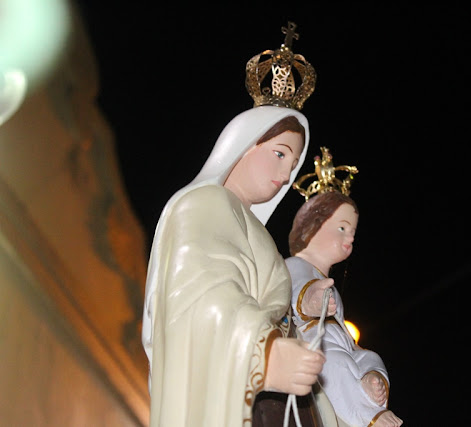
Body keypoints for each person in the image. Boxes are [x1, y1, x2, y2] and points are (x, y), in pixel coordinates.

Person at [141, 105, 333, 426]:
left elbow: (269, 306)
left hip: (271, 400)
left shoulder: (255, 230)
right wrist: (265, 355)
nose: (286, 175)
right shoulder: (205, 202)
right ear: (244, 144)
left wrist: (303, 311)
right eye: (280, 154)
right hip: (247, 390)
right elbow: (200, 297)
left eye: (294, 164)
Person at [287, 191, 403, 427]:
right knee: (334, 361)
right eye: (342, 228)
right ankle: (368, 416)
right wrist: (311, 299)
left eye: (353, 231)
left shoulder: (331, 287)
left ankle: (370, 391)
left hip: (341, 343)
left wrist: (359, 352)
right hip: (314, 337)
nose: (350, 237)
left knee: (371, 358)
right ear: (313, 227)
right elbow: (297, 289)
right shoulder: (295, 264)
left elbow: (342, 330)